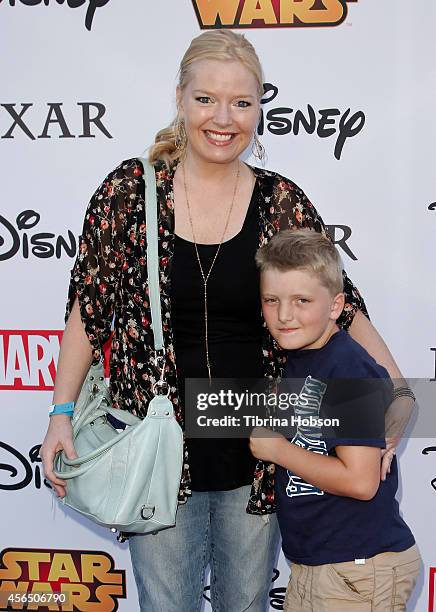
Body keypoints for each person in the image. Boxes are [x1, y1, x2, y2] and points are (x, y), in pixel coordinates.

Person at [41, 29, 411, 612]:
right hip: (154, 448)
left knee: (245, 604)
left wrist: (394, 392)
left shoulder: (280, 201)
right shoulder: (128, 191)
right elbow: (89, 309)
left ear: (260, 108)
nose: (224, 118)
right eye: (207, 99)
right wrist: (60, 413)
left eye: (242, 102)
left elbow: (342, 303)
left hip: (259, 452)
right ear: (181, 99)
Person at [249, 229, 421, 612]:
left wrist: (278, 450)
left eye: (302, 300)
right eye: (271, 300)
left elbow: (361, 482)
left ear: (336, 305)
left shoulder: (347, 370)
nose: (284, 315)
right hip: (320, 568)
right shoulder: (304, 359)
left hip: (358, 570)